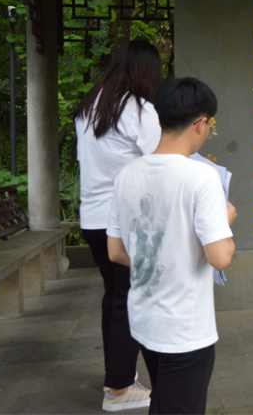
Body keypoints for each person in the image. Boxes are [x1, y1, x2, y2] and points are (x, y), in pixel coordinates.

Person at [106, 77, 238, 415]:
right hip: (184, 329)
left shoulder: (127, 174)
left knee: (165, 401)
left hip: (143, 319)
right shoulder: (201, 177)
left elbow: (116, 252)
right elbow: (220, 257)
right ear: (200, 123)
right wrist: (225, 220)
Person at [75, 39, 163, 410]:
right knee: (129, 301)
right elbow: (162, 161)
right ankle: (119, 390)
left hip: (93, 218)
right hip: (125, 221)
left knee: (115, 296)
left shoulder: (91, 107)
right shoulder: (138, 109)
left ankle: (119, 379)